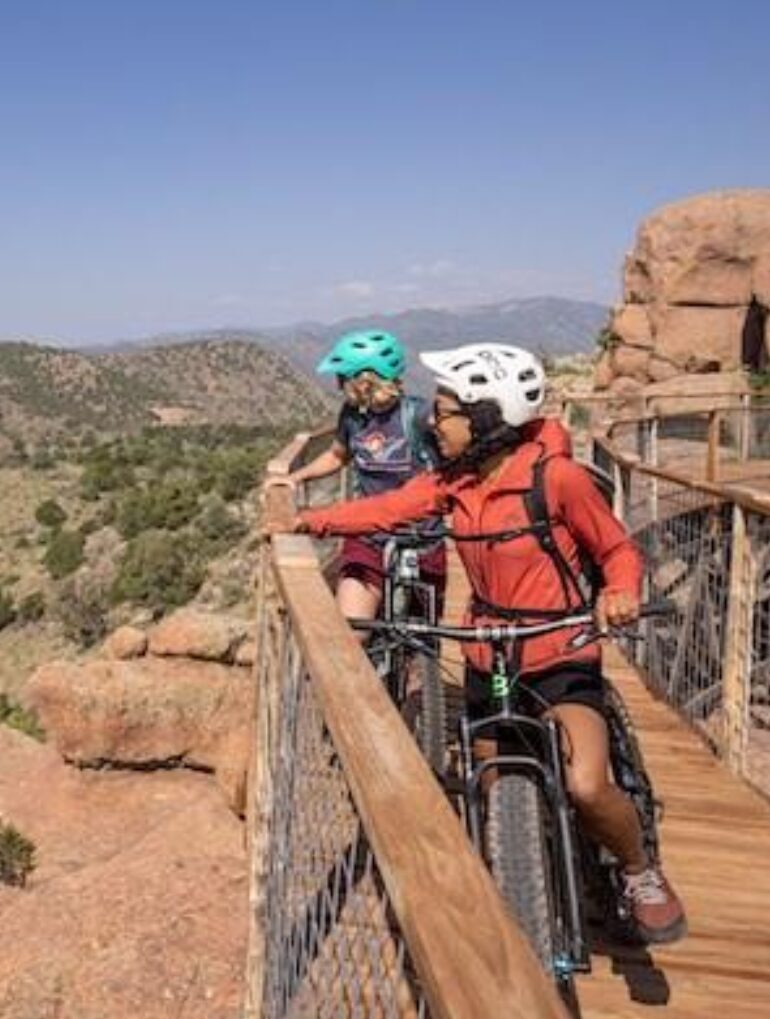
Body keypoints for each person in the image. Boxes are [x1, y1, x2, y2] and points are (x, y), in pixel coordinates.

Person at [271, 342, 687, 944]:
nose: (434, 424)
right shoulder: (454, 483)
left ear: (487, 417)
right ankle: (525, 881)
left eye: (446, 413)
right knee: (493, 784)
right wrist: (308, 523)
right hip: (490, 657)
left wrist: (620, 591)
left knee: (588, 785)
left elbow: (618, 550)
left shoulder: (558, 479)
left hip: (560, 650)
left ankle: (639, 871)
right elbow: (387, 508)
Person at [284, 329, 444, 624]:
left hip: (421, 539)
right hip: (367, 536)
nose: (338, 384)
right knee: (352, 630)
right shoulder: (352, 415)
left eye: (343, 377)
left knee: (421, 643)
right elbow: (337, 455)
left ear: (364, 379)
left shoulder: (418, 415)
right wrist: (297, 477)